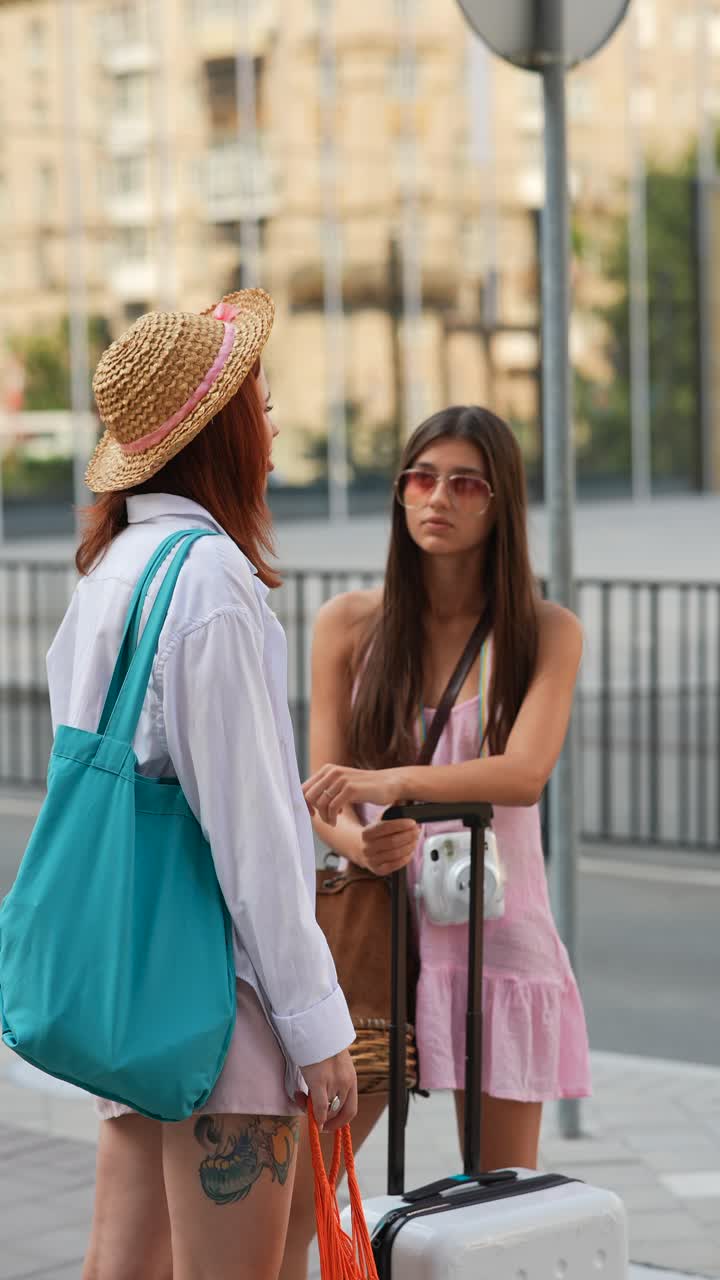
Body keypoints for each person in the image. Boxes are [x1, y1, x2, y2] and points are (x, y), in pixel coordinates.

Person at [46, 290, 357, 1280]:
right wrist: (318, 1027)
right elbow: (255, 834)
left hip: (127, 979)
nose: (272, 427)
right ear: (219, 433)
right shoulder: (210, 582)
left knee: (118, 1266)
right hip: (216, 997)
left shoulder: (111, 567)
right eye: (258, 406)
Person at [280, 404, 591, 1280]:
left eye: (464, 483)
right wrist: (359, 839)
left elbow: (523, 773)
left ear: (501, 503)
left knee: (501, 1215)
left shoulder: (544, 633)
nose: (436, 499)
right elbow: (322, 793)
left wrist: (392, 785)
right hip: (379, 943)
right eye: (420, 478)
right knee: (301, 1204)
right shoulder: (349, 624)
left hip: (498, 937)